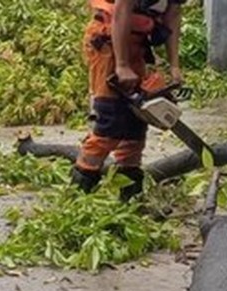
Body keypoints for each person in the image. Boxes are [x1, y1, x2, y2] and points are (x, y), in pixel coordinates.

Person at [72, 0, 186, 201]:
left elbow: (173, 15)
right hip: (109, 39)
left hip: (137, 43)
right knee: (110, 121)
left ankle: (130, 198)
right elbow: (121, 11)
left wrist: (174, 64)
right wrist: (122, 65)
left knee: (136, 124)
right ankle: (79, 193)